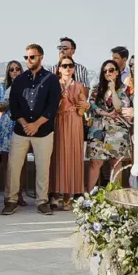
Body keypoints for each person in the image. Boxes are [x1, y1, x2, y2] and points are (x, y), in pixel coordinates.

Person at [4, 45, 60, 215]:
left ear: (41, 57)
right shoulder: (19, 80)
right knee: (13, 166)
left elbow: (52, 106)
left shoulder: (51, 79)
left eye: (32, 57)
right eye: (26, 57)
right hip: (21, 130)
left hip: (43, 131)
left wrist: (36, 124)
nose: (28, 61)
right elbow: (14, 105)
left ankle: (42, 201)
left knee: (43, 167)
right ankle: (11, 200)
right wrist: (24, 123)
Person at [85, 60, 133, 189]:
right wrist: (106, 114)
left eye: (111, 70)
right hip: (98, 130)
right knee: (95, 162)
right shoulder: (97, 88)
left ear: (117, 72)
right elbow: (92, 105)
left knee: (115, 163)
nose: (108, 73)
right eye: (105, 71)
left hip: (117, 131)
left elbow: (119, 107)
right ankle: (88, 196)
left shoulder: (123, 89)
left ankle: (114, 196)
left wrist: (112, 89)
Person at [50, 57, 87, 207]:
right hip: (58, 121)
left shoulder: (78, 85)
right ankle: (55, 192)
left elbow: (82, 108)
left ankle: (69, 194)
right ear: (59, 68)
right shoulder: (54, 85)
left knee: (73, 156)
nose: (67, 68)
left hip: (75, 122)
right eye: (64, 66)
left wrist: (85, 105)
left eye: (70, 65)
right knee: (58, 156)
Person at [0, 60, 19, 200]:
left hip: (20, 125)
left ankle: (18, 193)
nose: (15, 71)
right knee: (5, 162)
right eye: (12, 69)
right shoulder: (3, 88)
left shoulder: (27, 87)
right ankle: (7, 193)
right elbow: (0, 107)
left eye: (17, 69)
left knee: (19, 162)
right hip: (6, 125)